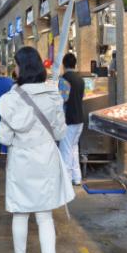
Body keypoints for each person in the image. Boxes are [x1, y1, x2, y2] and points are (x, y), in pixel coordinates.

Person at [0, 46, 72, 253]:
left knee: (20, 213)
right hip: (46, 161)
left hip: (21, 162)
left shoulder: (11, 99)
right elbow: (60, 132)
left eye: (16, 65)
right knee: (44, 217)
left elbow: (4, 138)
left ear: (21, 68)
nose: (14, 69)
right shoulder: (52, 95)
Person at [58, 53, 85, 185]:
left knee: (66, 149)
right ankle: (77, 177)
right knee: (74, 148)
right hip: (80, 118)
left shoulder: (64, 79)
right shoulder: (81, 79)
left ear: (64, 65)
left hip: (68, 119)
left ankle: (67, 179)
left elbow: (63, 99)